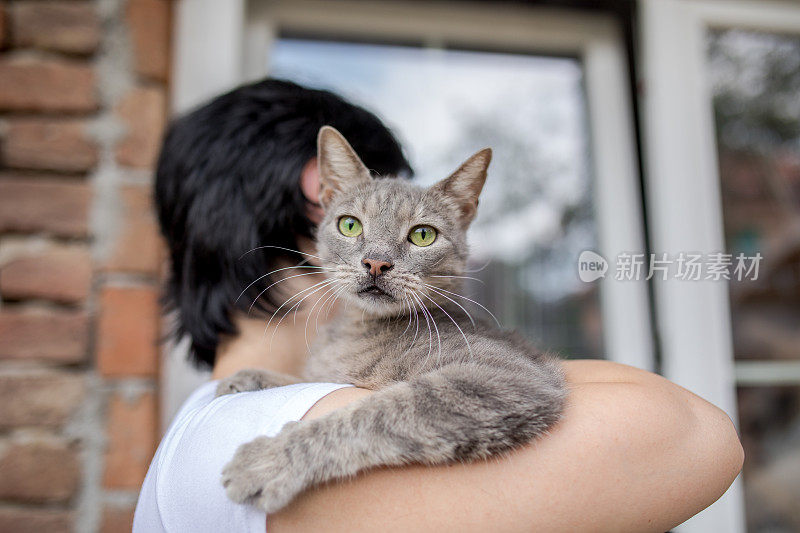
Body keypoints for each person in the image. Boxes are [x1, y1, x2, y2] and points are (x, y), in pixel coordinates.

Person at [133, 79, 743, 532]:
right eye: (354, 219)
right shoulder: (247, 440)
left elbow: (508, 388)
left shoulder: (219, 411)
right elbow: (696, 437)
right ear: (319, 194)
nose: (378, 258)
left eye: (419, 233)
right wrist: (317, 443)